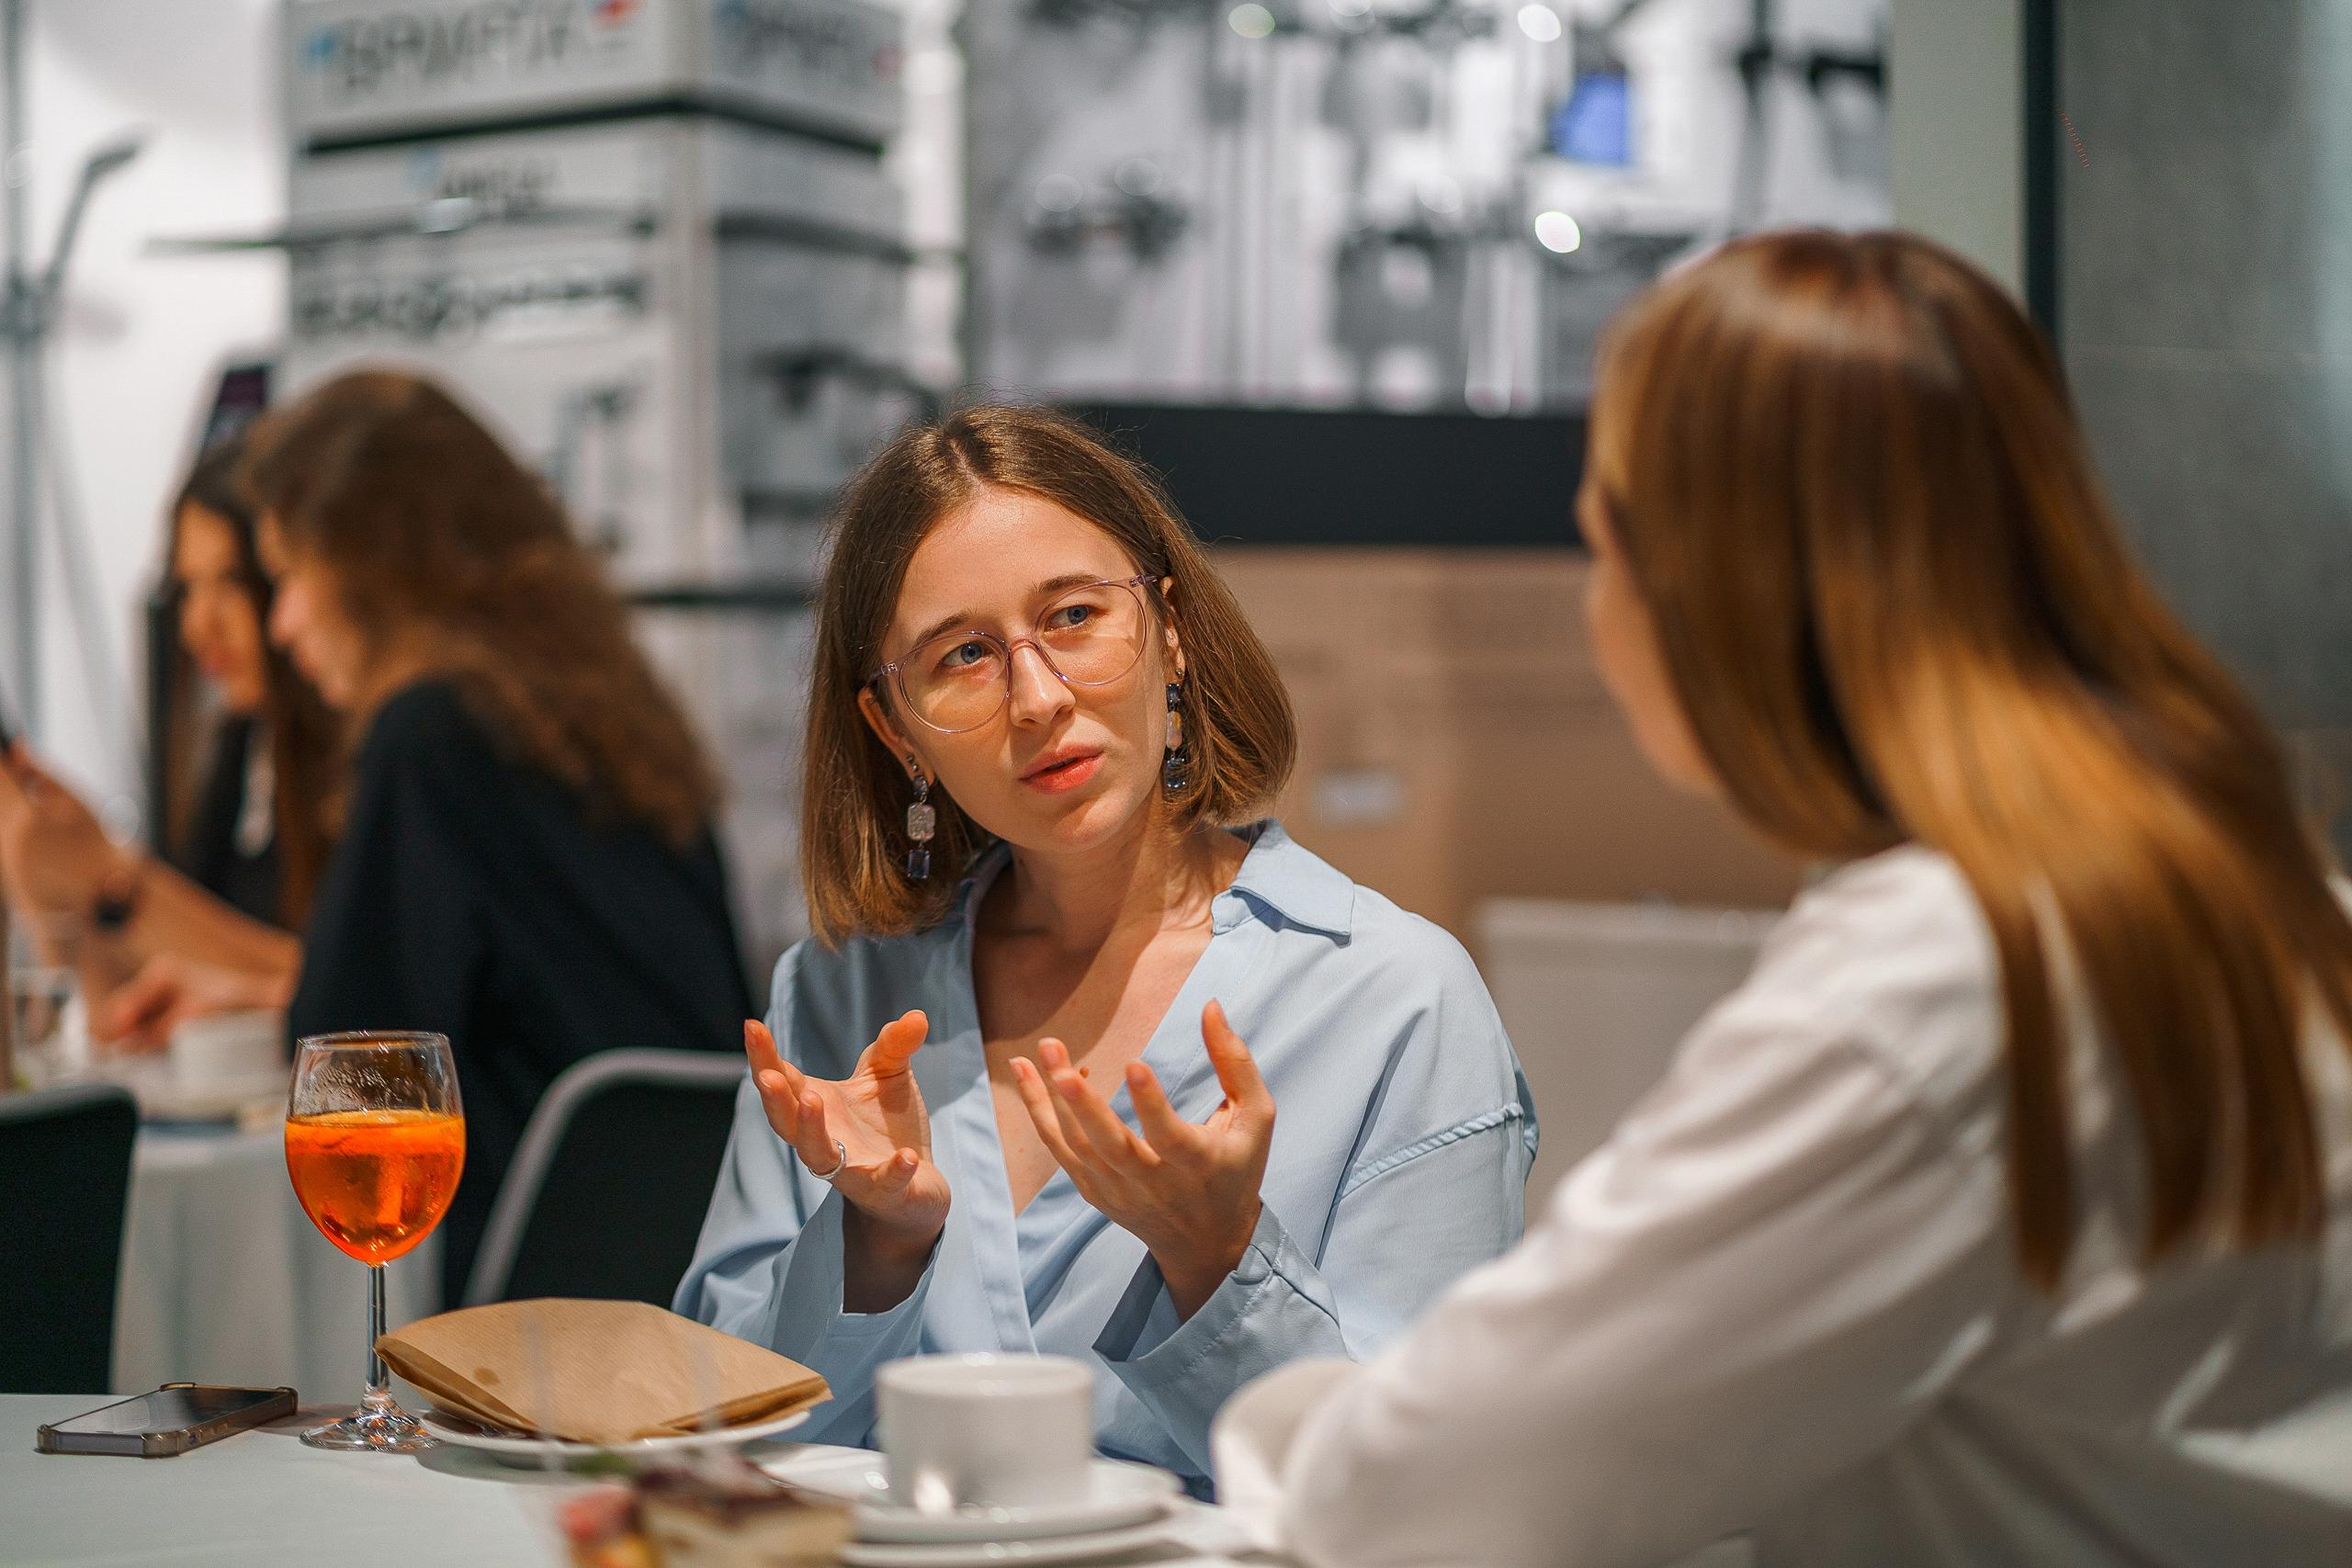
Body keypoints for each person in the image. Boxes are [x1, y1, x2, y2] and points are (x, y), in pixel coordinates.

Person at [1214, 230, 2352, 1566]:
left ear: (1713, 590)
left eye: (1604, 548)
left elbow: (1433, 1492)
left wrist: (1276, 1388)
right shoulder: (2244, 877)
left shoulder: (1940, 977)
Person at [675, 404, 1538, 1488]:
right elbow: (720, 1438)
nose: (1038, 698)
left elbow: (1432, 1496)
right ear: (897, 732)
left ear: (1169, 634)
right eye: (963, 656)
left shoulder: (1393, 1000)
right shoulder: (842, 994)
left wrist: (1216, 1263)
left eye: (1074, 616)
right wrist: (878, 1245)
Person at [126, 369, 756, 1303]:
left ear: (378, 569)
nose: (285, 619)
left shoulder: (430, 733)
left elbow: (346, 1060)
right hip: (685, 1277)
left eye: (292, 574)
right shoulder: (609, 723)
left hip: (510, 1313)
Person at [0, 432, 338, 1030]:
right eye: (188, 589)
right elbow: (126, 1012)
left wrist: (117, 876)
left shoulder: (368, 760)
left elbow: (347, 991)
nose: (199, 625)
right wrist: (48, 874)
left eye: (231, 582)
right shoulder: (239, 749)